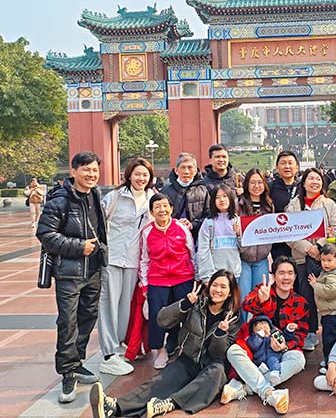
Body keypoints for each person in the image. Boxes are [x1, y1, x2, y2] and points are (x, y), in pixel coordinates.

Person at [89, 270, 241, 418]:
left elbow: (218, 354)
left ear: (229, 293)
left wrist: (221, 333)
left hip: (212, 366)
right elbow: (162, 320)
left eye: (223, 287)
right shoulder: (195, 304)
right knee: (157, 384)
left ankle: (169, 403)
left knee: (216, 375)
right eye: (215, 285)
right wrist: (185, 304)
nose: (217, 290)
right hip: (188, 360)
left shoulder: (232, 318)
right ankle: (114, 407)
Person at [36, 151, 107, 403]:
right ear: (74, 171)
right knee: (68, 322)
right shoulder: (59, 200)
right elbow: (45, 234)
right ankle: (67, 372)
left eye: (95, 170)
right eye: (86, 170)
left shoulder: (96, 195)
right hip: (69, 273)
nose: (91, 175)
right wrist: (79, 247)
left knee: (87, 318)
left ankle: (77, 363)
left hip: (93, 270)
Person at [221, 256, 309, 415]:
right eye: (281, 273)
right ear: (274, 276)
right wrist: (262, 300)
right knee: (233, 351)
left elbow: (300, 336)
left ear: (295, 277)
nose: (286, 277)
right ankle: (269, 393)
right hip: (256, 348)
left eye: (290, 273)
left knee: (299, 359)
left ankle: (246, 388)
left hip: (279, 355)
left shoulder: (301, 302)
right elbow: (245, 304)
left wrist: (284, 346)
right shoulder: (264, 289)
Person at [98, 157, 155, 376]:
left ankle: (119, 344)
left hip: (134, 260)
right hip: (112, 258)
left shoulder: (152, 198)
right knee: (108, 305)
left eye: (145, 175)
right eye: (137, 174)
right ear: (129, 174)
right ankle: (108, 354)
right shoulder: (114, 197)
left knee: (125, 306)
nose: (141, 178)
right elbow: (99, 223)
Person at [285, 167, 336, 351]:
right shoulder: (294, 205)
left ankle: (330, 332)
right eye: (311, 179)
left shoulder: (329, 204)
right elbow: (288, 232)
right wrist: (306, 248)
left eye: (318, 179)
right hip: (301, 258)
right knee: (305, 293)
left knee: (324, 293)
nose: (315, 182)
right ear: (304, 182)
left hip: (323, 259)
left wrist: (318, 247)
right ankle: (309, 331)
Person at [139, 193, 195, 370]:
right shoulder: (147, 231)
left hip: (183, 277)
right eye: (157, 207)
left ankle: (184, 347)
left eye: (165, 206)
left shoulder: (181, 228)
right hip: (158, 280)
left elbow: (192, 254)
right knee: (158, 316)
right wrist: (145, 286)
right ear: (151, 211)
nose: (162, 210)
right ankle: (160, 350)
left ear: (171, 208)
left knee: (185, 314)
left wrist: (195, 279)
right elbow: (143, 260)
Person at [236, 169, 274, 317]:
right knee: (243, 298)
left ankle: (258, 330)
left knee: (261, 296)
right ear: (247, 184)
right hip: (243, 258)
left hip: (262, 258)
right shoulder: (238, 204)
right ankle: (242, 331)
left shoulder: (269, 205)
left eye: (260, 182)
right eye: (252, 182)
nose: (256, 186)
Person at [308, 243, 336, 366]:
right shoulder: (329, 272)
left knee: (330, 339)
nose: (325, 264)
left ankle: (330, 362)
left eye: (329, 260)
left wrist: (315, 285)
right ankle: (331, 359)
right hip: (329, 311)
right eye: (323, 260)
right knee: (330, 338)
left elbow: (330, 291)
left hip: (334, 313)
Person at [159, 152, 209, 242]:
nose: (186, 171)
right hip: (171, 238)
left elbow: (209, 216)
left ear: (195, 171)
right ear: (176, 170)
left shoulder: (204, 190)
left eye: (190, 168)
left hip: (198, 237)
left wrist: (193, 224)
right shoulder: (165, 191)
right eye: (183, 167)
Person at [197, 184, 241, 282]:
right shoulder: (208, 223)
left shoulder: (237, 220)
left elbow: (243, 249)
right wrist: (207, 276)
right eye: (217, 197)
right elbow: (203, 251)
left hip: (234, 273)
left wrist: (239, 234)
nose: (222, 200)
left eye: (225, 196)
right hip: (214, 275)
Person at [269, 151, 300, 259]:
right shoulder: (269, 187)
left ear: (297, 167)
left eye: (290, 163)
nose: (287, 166)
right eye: (283, 163)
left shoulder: (304, 188)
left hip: (299, 243)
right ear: (277, 167)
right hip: (277, 243)